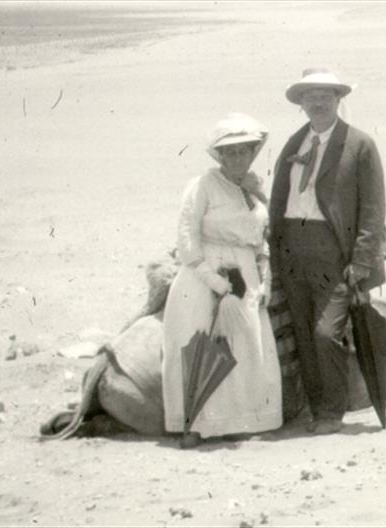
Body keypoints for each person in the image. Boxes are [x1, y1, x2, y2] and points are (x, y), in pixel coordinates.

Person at [269, 68, 386, 435]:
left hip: (333, 252)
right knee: (303, 333)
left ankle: (333, 412)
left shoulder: (360, 145)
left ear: (339, 100)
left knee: (325, 332)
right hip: (292, 249)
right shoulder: (293, 144)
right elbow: (279, 200)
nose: (317, 103)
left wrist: (362, 259)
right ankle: (317, 407)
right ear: (300, 104)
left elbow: (372, 208)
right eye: (309, 96)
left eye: (325, 95)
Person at [162, 113, 282, 448]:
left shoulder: (254, 192)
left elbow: (263, 240)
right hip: (205, 275)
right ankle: (195, 424)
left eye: (244, 151)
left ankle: (239, 420)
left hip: (246, 275)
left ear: (253, 153)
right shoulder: (202, 186)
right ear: (220, 155)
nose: (238, 158)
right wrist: (213, 281)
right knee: (199, 342)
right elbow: (187, 238)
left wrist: (266, 277)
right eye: (230, 152)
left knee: (246, 348)